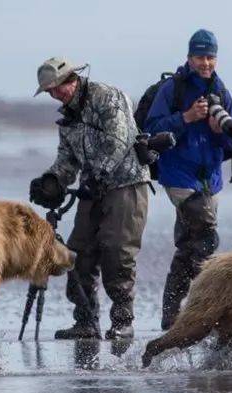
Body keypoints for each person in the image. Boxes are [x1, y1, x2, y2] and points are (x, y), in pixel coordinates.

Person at [29, 57, 150, 340]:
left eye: (57, 88)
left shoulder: (108, 97)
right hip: (90, 189)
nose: (55, 95)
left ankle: (122, 321)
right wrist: (52, 180)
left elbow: (119, 141)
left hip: (127, 184)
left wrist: (100, 174)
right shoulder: (67, 119)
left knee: (118, 252)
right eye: (50, 92)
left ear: (72, 79)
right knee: (78, 252)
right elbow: (67, 160)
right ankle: (85, 321)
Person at [143, 29, 232, 330]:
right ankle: (207, 311)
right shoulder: (172, 90)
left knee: (190, 245)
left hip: (209, 180)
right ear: (189, 57)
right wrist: (186, 118)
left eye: (211, 57)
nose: (206, 63)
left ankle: (173, 315)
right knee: (206, 238)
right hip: (178, 176)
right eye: (200, 56)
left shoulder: (220, 89)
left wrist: (219, 131)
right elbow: (152, 131)